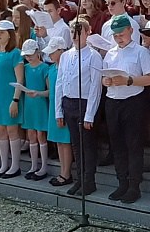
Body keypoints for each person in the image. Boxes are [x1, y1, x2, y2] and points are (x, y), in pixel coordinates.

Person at [101, 13, 150, 204]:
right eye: (115, 34)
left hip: (133, 100)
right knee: (117, 144)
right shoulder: (110, 53)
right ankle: (122, 182)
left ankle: (134, 185)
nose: (118, 37)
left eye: (121, 33)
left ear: (130, 31)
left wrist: (129, 80)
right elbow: (103, 77)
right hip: (113, 100)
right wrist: (106, 80)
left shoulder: (141, 52)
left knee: (133, 144)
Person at [56, 18, 103, 195]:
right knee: (76, 144)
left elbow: (95, 87)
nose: (75, 36)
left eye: (79, 32)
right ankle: (79, 179)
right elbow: (60, 83)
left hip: (84, 103)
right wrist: (58, 110)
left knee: (88, 145)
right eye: (72, 32)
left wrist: (89, 114)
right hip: (69, 103)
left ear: (87, 33)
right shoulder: (66, 55)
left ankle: (89, 181)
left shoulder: (93, 56)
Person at [0, 20, 25, 178]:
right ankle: (4, 164)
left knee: (12, 130)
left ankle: (15, 166)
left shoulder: (15, 53)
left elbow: (19, 79)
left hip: (10, 97)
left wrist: (15, 100)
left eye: (2, 32)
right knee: (1, 131)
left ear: (10, 35)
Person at [41, 36, 73, 187]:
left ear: (61, 50)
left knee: (65, 142)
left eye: (53, 52)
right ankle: (63, 171)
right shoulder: (52, 68)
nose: (50, 55)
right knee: (59, 142)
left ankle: (66, 173)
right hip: (54, 108)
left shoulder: (65, 67)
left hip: (64, 108)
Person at [19, 39, 53, 180]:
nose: (28, 57)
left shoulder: (45, 68)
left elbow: (49, 91)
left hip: (39, 104)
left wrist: (38, 93)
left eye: (30, 54)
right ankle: (34, 165)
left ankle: (43, 166)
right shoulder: (25, 68)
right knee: (31, 134)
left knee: (40, 135)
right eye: (26, 55)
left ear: (37, 52)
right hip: (29, 104)